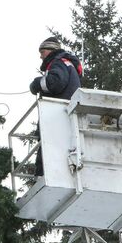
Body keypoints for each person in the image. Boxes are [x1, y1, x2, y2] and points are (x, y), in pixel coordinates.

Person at [29, 37, 83, 176]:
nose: (40, 56)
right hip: (65, 115)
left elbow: (55, 83)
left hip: (56, 115)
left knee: (47, 149)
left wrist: (37, 83)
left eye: (43, 51)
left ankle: (41, 177)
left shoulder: (58, 62)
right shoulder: (67, 64)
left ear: (52, 50)